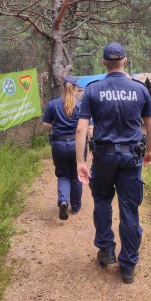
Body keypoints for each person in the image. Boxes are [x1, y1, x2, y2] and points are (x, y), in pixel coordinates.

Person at [76, 42, 151, 284]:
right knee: (129, 208)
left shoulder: (92, 90)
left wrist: (80, 161)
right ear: (125, 60)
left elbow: (81, 129)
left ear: (103, 62)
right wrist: (149, 152)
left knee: (101, 200)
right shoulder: (139, 89)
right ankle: (128, 265)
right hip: (132, 157)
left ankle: (106, 249)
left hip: (103, 157)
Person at [43, 76, 92, 220]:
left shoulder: (53, 104)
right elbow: (89, 128)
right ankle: (75, 207)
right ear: (76, 89)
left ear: (63, 88)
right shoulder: (82, 105)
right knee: (77, 175)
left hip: (59, 145)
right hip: (77, 144)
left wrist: (56, 127)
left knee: (63, 175)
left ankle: (64, 200)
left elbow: (46, 125)